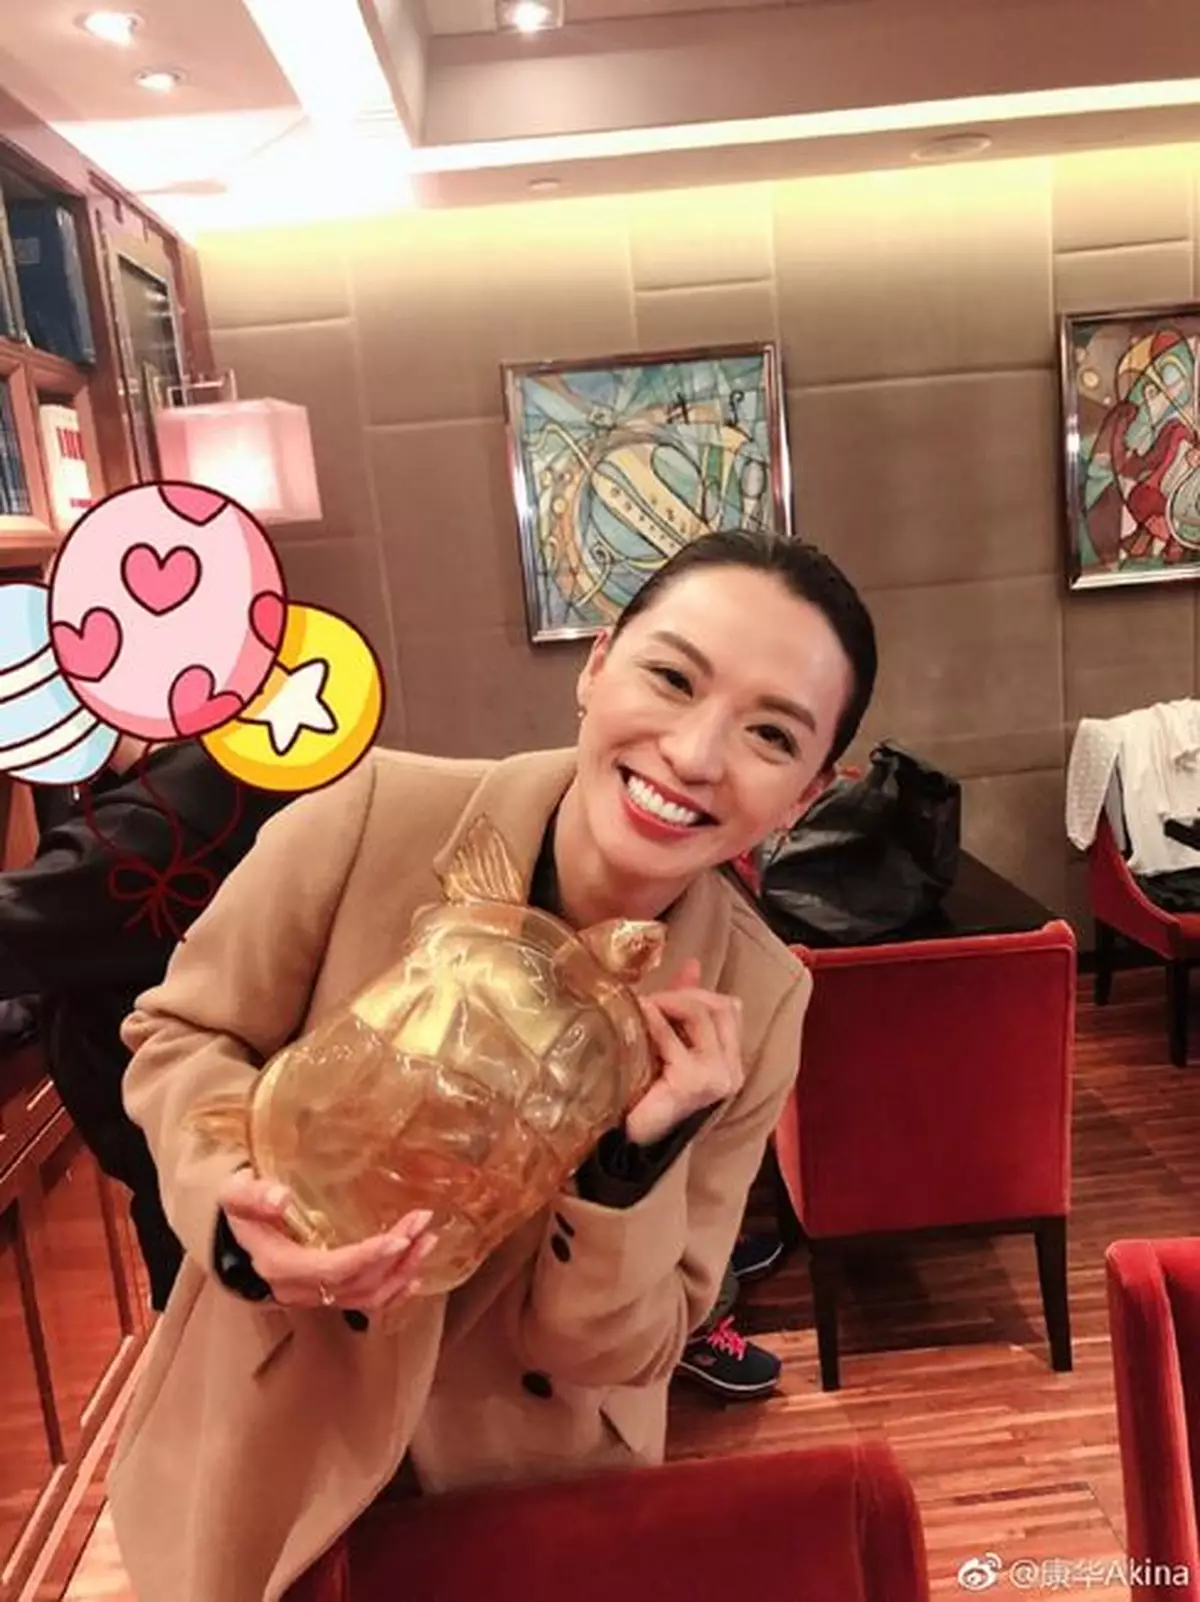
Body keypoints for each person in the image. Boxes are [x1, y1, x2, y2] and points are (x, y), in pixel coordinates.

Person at [107, 531, 877, 1602]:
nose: (696, 754)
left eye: (771, 734)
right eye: (672, 677)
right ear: (596, 664)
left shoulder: (753, 1003)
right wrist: (238, 1218)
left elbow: (627, 1348)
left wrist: (632, 1168)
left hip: (529, 1491)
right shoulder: (372, 816)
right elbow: (182, 1035)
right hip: (272, 1427)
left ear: (804, 794)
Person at [0, 736, 296, 1309]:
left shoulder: (153, 822)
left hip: (200, 1168)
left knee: (220, 1333)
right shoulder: (246, 766)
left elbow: (24, 927)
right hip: (242, 1142)